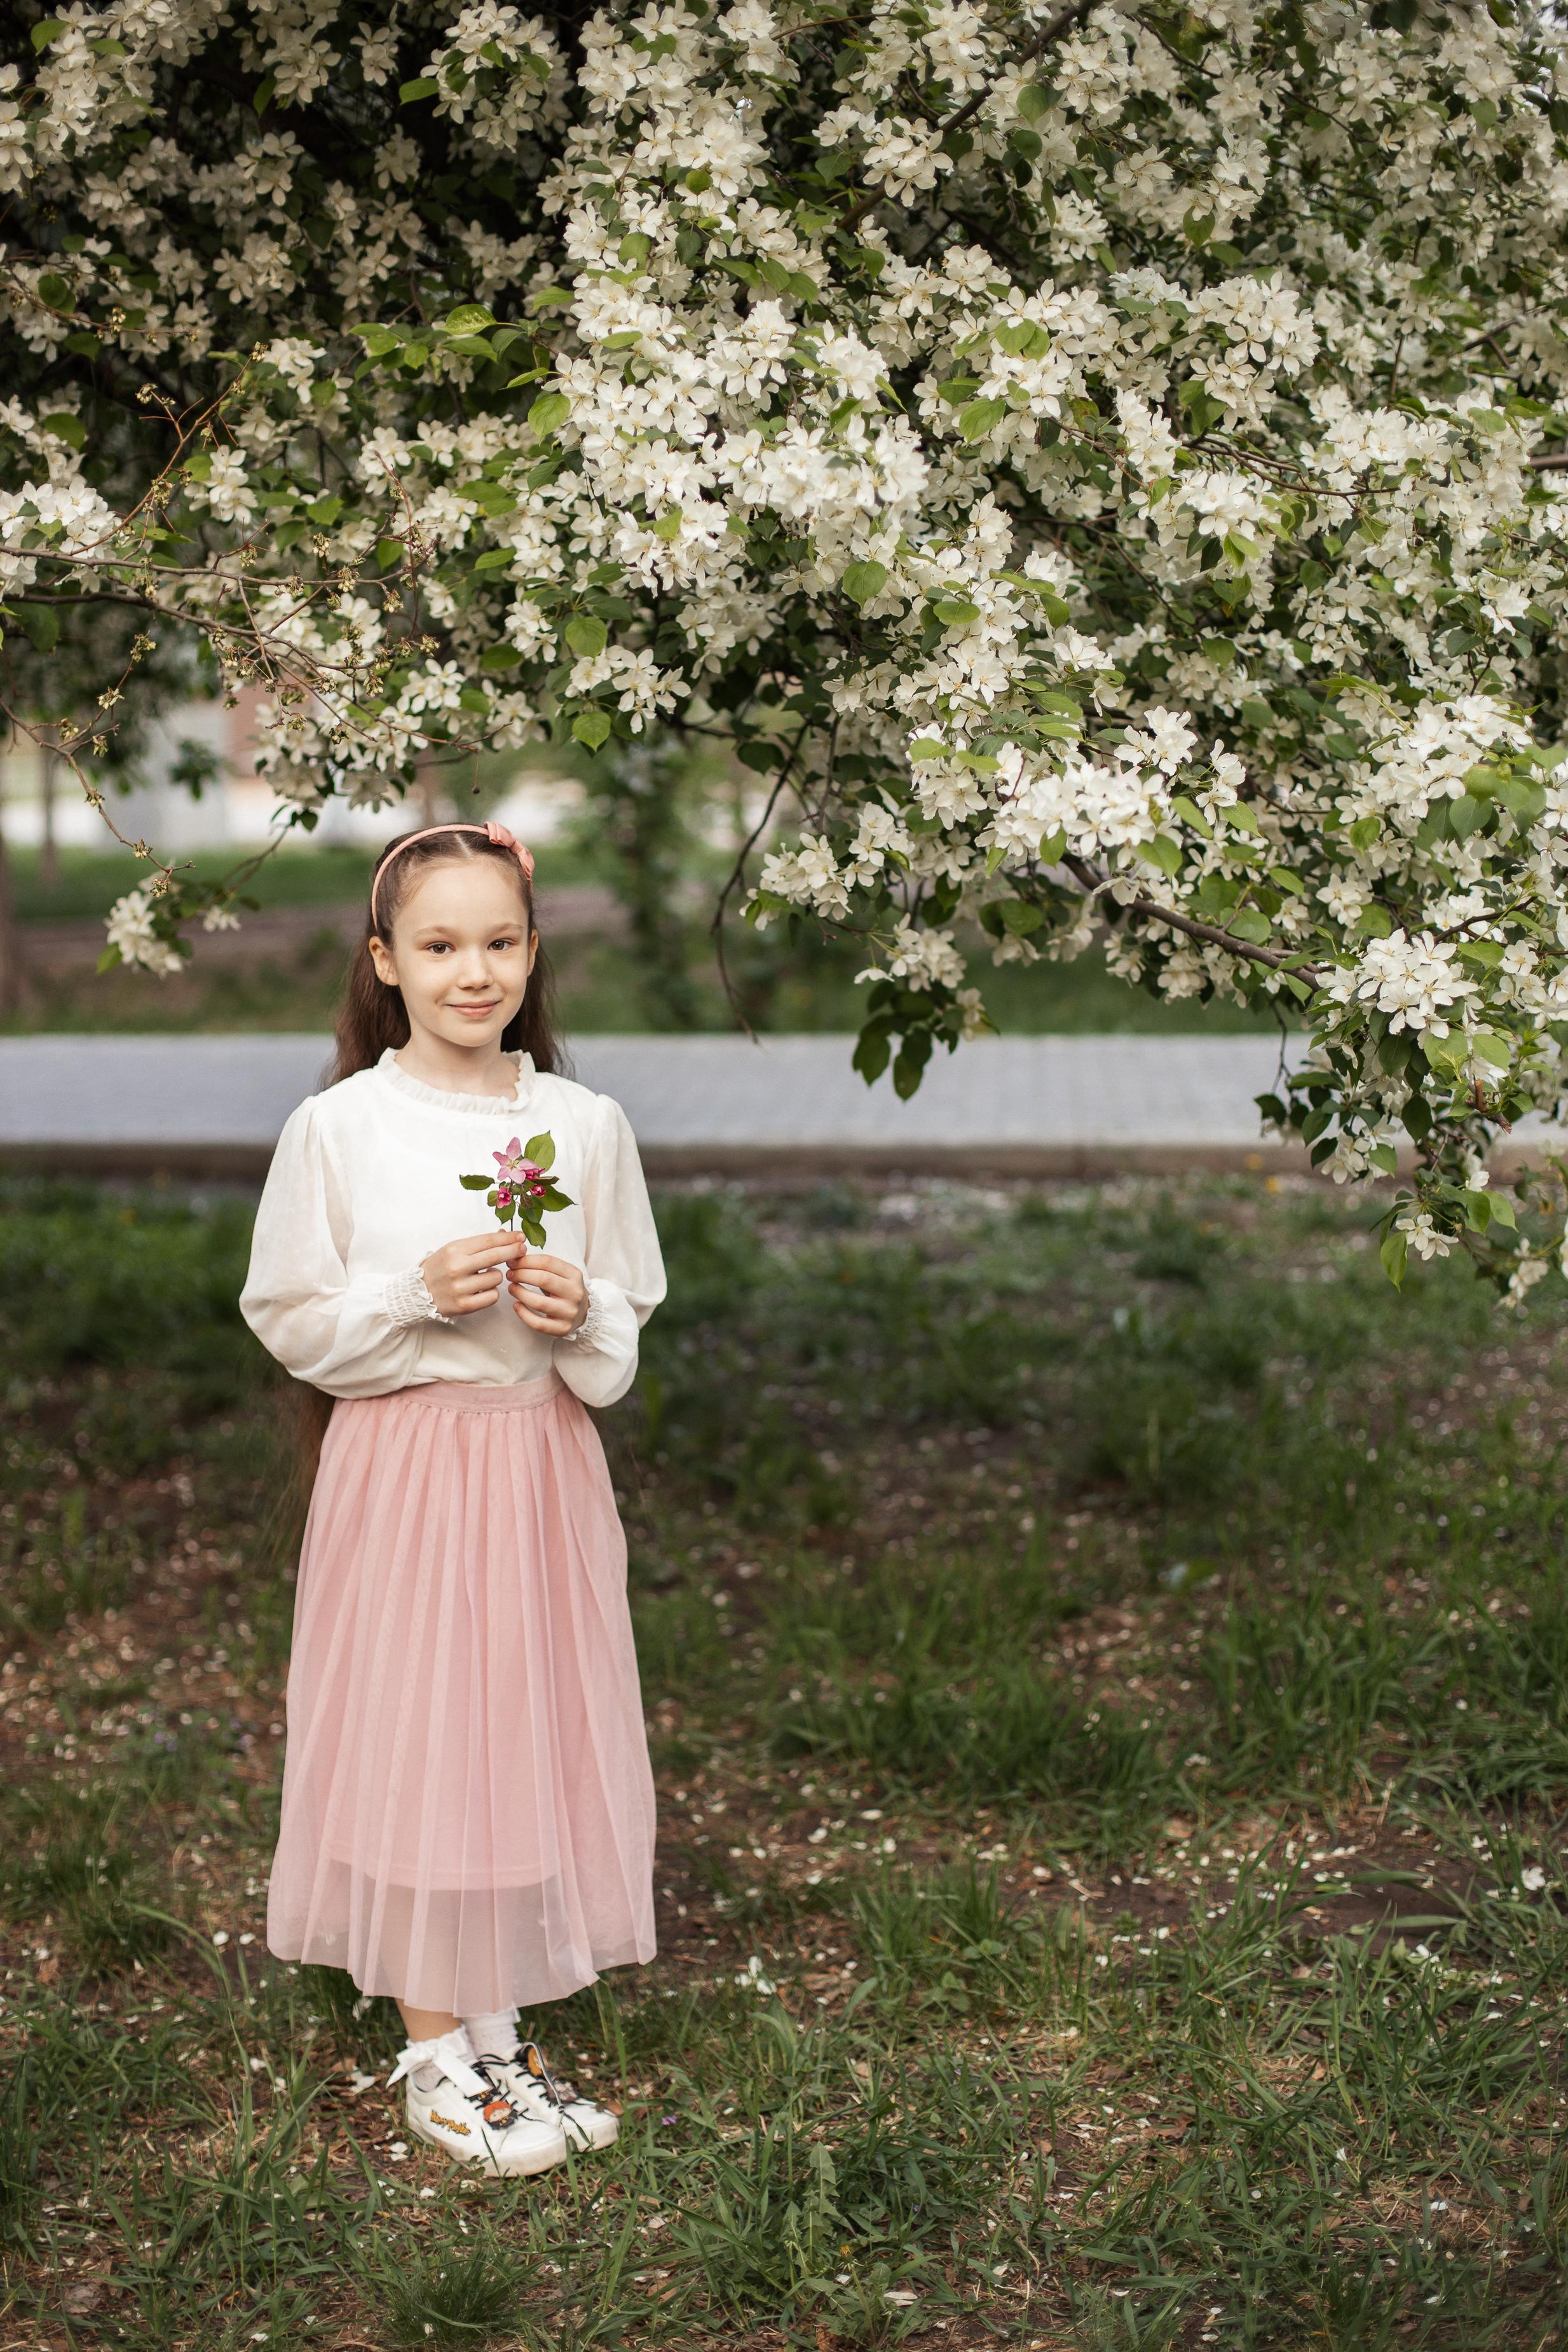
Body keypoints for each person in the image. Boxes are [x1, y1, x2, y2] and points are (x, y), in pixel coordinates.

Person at [240, 820, 665, 2177]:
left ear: (533, 954)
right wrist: (413, 1295)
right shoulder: (341, 1128)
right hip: (407, 1470)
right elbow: (291, 1314)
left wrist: (579, 1307)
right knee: (421, 1727)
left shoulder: (583, 1126)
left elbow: (622, 1329)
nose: (471, 972)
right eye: (438, 945)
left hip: (536, 1465)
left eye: (498, 942)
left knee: (516, 1726)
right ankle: (432, 2048)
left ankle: (495, 2023)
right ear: (385, 961)